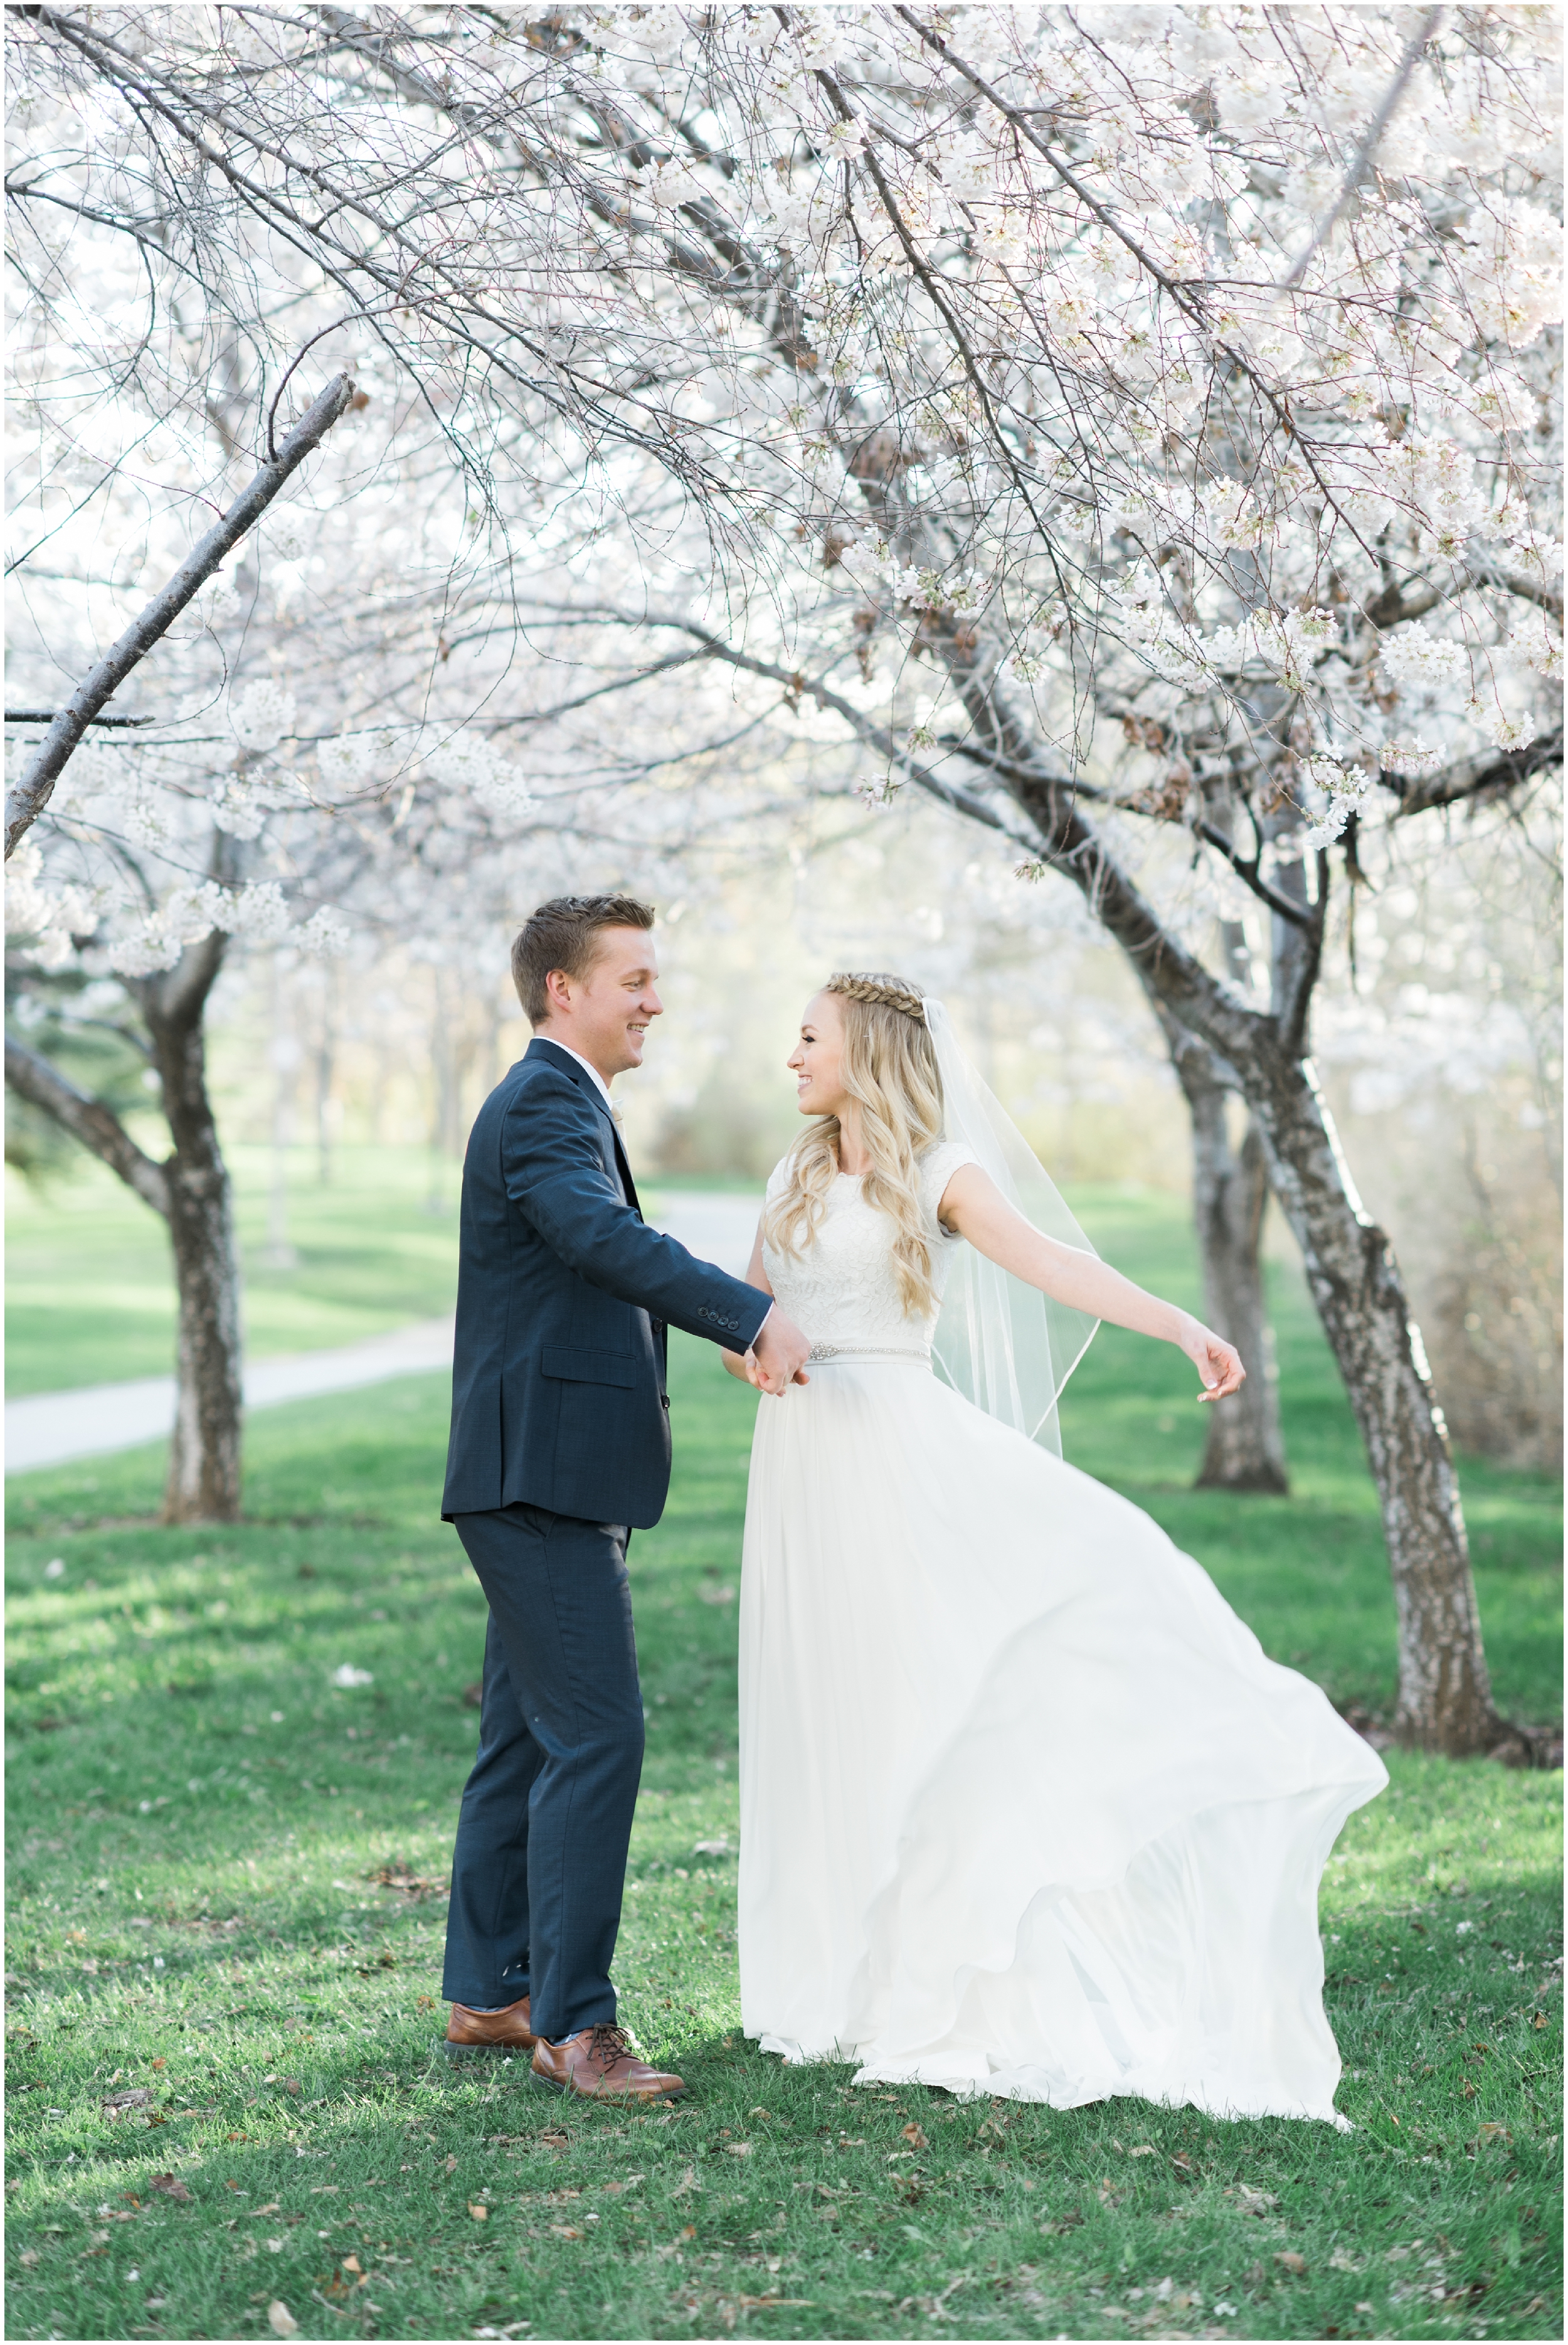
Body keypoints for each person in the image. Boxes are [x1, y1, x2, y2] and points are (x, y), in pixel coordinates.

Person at [724, 971, 1387, 2122]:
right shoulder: (791, 1172)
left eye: (808, 1037)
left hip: (897, 1453)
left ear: (866, 1048)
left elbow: (1054, 1266)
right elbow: (744, 1306)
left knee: (917, 1700)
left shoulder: (941, 1173)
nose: (792, 1057)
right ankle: (831, 1979)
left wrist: (1181, 1322)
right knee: (823, 1700)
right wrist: (753, 1355)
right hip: (800, 1466)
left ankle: (940, 1977)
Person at [439, 895, 810, 2102]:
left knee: (526, 1736)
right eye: (635, 978)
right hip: (536, 1476)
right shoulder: (546, 1101)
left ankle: (492, 1990)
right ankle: (578, 2027)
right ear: (564, 990)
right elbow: (597, 1238)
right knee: (599, 1733)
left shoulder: (561, 1101)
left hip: (543, 1469)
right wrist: (749, 1311)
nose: (656, 998)